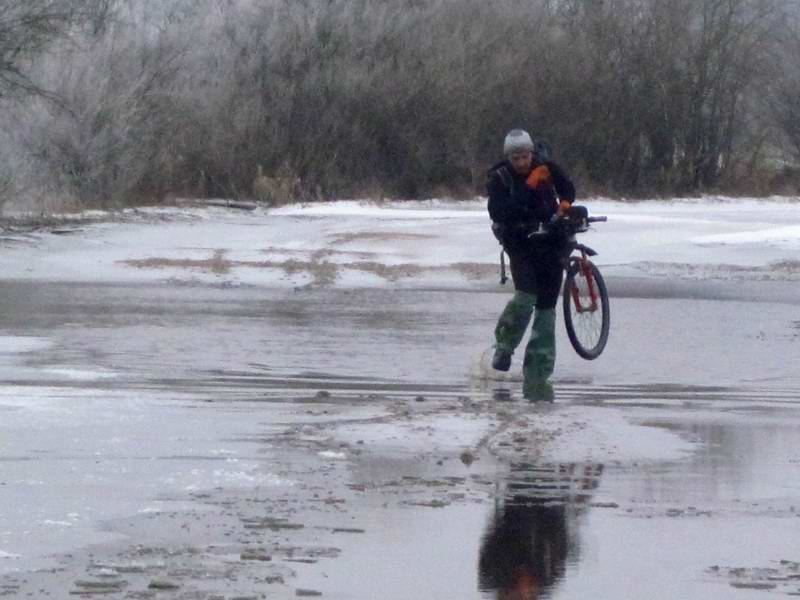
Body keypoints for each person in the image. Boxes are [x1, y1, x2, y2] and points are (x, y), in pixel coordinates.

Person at [487, 129, 575, 399]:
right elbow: (501, 212)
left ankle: (538, 374)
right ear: (509, 158)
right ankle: (504, 346)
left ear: (531, 153)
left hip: (550, 242)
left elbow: (568, 189)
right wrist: (529, 186)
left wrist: (565, 206)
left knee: (547, 309)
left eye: (526, 157)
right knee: (525, 296)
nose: (523, 163)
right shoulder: (499, 177)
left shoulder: (545, 167)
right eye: (516, 158)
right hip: (520, 243)